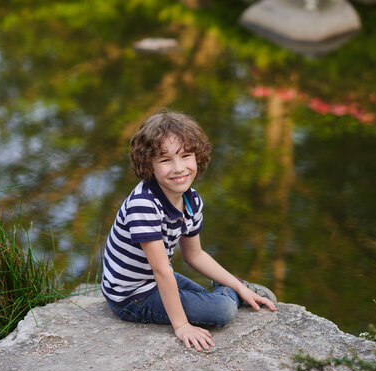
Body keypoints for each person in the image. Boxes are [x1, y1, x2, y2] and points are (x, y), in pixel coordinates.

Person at [101, 110, 277, 351]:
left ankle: (236, 288)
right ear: (148, 165)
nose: (178, 168)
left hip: (156, 280)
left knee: (211, 300)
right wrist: (182, 325)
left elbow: (195, 255)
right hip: (131, 296)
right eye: (165, 160)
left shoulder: (191, 200)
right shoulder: (143, 205)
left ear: (198, 157)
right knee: (221, 311)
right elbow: (161, 270)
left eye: (185, 156)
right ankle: (231, 293)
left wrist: (239, 288)